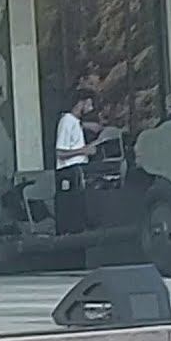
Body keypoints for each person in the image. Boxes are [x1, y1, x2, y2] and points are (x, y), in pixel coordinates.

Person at [54, 89, 97, 233]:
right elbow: (60, 152)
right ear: (81, 103)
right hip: (68, 172)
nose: (91, 108)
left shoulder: (76, 122)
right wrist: (83, 151)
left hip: (78, 170)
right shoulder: (67, 121)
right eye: (89, 104)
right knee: (71, 214)